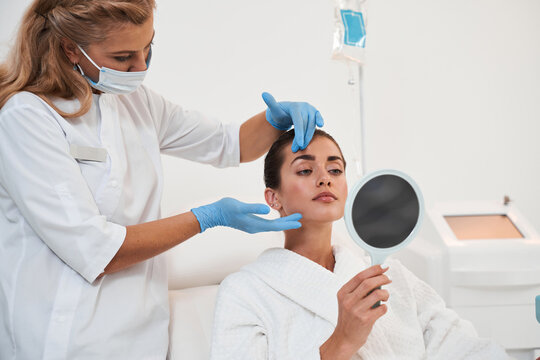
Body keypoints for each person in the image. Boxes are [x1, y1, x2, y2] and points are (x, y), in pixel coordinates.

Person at [0, 1, 325, 359]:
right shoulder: (27, 119)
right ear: (71, 48)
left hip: (142, 339)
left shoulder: (136, 103)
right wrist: (206, 218)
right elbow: (96, 250)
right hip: (62, 339)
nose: (140, 66)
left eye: (148, 48)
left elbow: (227, 143)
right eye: (123, 57)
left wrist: (273, 121)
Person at [210, 129, 508, 359]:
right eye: (305, 170)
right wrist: (341, 342)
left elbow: (459, 345)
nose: (325, 178)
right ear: (273, 198)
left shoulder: (390, 275)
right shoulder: (245, 292)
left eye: (335, 170)